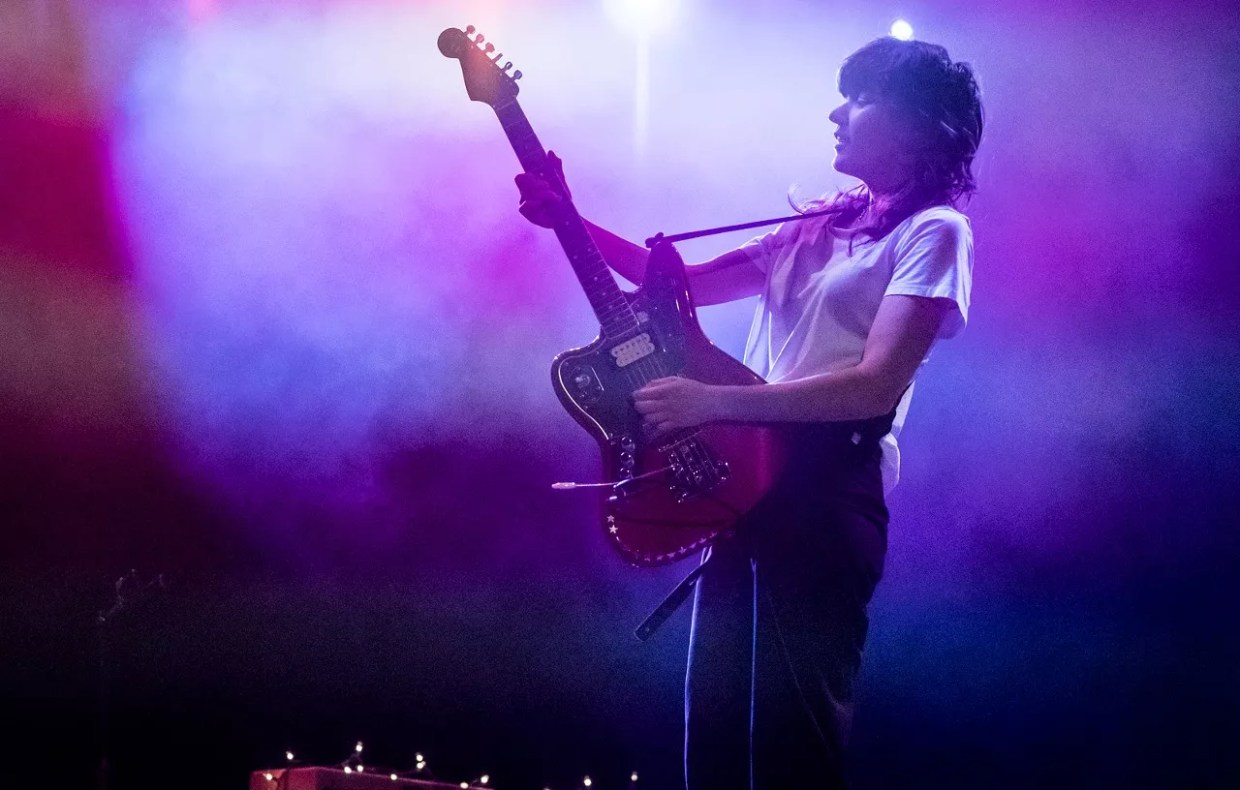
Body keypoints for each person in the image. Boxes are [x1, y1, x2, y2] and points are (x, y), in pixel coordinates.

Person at [516, 36, 983, 789]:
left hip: (830, 491)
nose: (836, 112)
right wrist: (570, 218)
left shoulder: (936, 234)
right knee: (717, 729)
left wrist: (714, 401)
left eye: (858, 97)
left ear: (919, 124)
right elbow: (673, 284)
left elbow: (872, 387)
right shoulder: (815, 226)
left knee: (796, 739)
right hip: (747, 483)